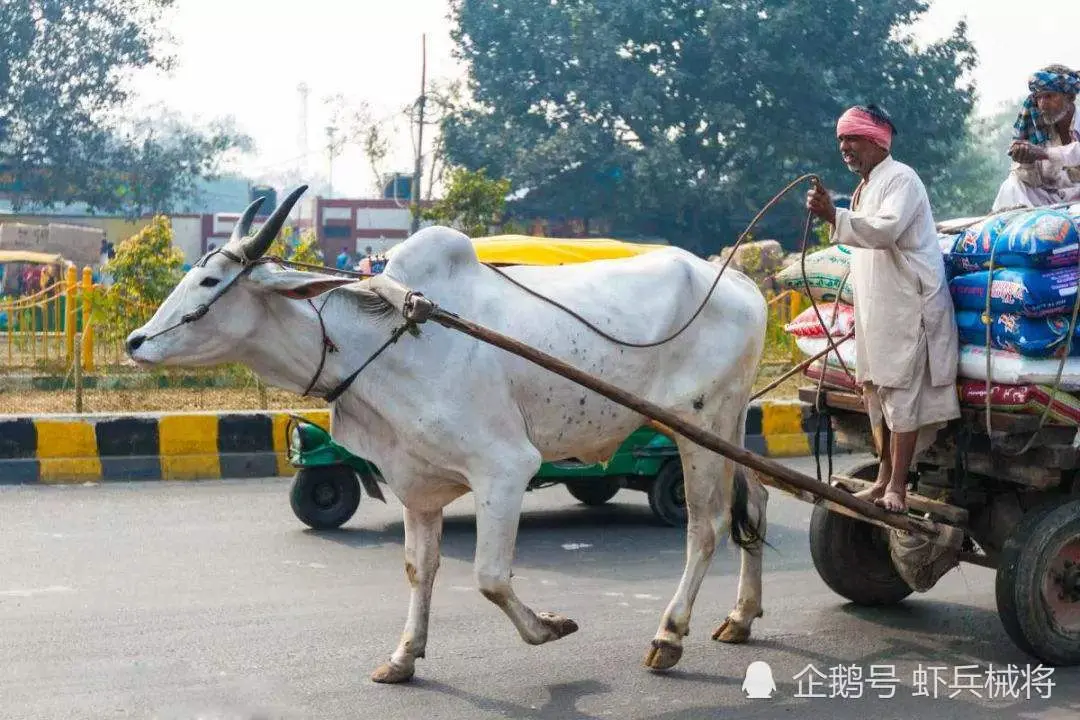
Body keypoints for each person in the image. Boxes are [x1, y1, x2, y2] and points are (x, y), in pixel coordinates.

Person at [806, 104, 960, 513]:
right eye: (840, 139)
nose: (844, 147)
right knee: (876, 391)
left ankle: (898, 487)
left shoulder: (902, 179)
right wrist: (834, 214)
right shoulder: (866, 186)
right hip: (878, 308)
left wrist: (834, 215)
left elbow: (885, 230)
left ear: (876, 140)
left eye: (851, 138)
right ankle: (881, 477)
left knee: (902, 393)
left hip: (909, 305)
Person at [992, 64, 1080, 211]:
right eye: (1039, 98)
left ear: (1069, 97)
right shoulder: (1039, 132)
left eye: (1049, 96)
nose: (1042, 104)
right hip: (1056, 202)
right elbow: (1035, 181)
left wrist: (1044, 154)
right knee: (1013, 184)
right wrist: (1027, 162)